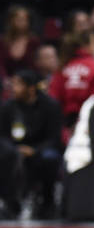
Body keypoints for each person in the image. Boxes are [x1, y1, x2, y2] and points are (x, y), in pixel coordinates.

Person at [0, 69, 63, 219]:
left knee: (50, 158)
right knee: (7, 155)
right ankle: (11, 204)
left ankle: (48, 202)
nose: (13, 88)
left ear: (31, 88)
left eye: (18, 85)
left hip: (41, 149)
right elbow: (2, 135)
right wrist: (15, 149)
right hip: (14, 149)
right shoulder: (7, 107)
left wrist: (34, 150)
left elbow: (55, 138)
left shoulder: (51, 106)